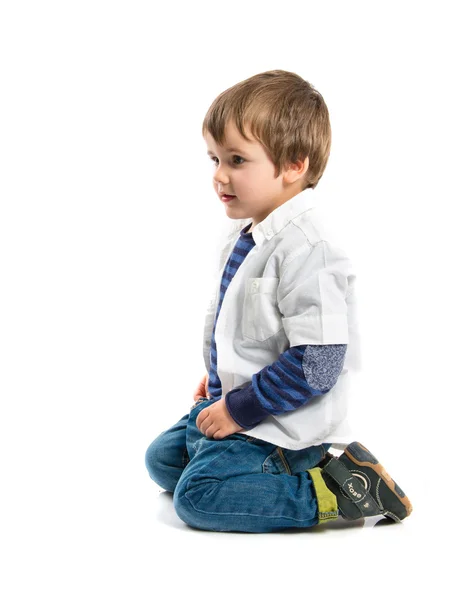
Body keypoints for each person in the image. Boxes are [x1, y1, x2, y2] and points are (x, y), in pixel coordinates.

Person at [145, 69, 412, 532]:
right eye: (214, 159)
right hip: (241, 399)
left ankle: (336, 490)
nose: (219, 176)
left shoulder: (310, 249)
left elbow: (320, 362)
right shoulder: (249, 232)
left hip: (280, 422)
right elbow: (249, 330)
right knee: (162, 461)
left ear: (293, 166)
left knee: (197, 498)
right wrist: (217, 377)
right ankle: (253, 467)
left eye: (236, 160)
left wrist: (236, 409)